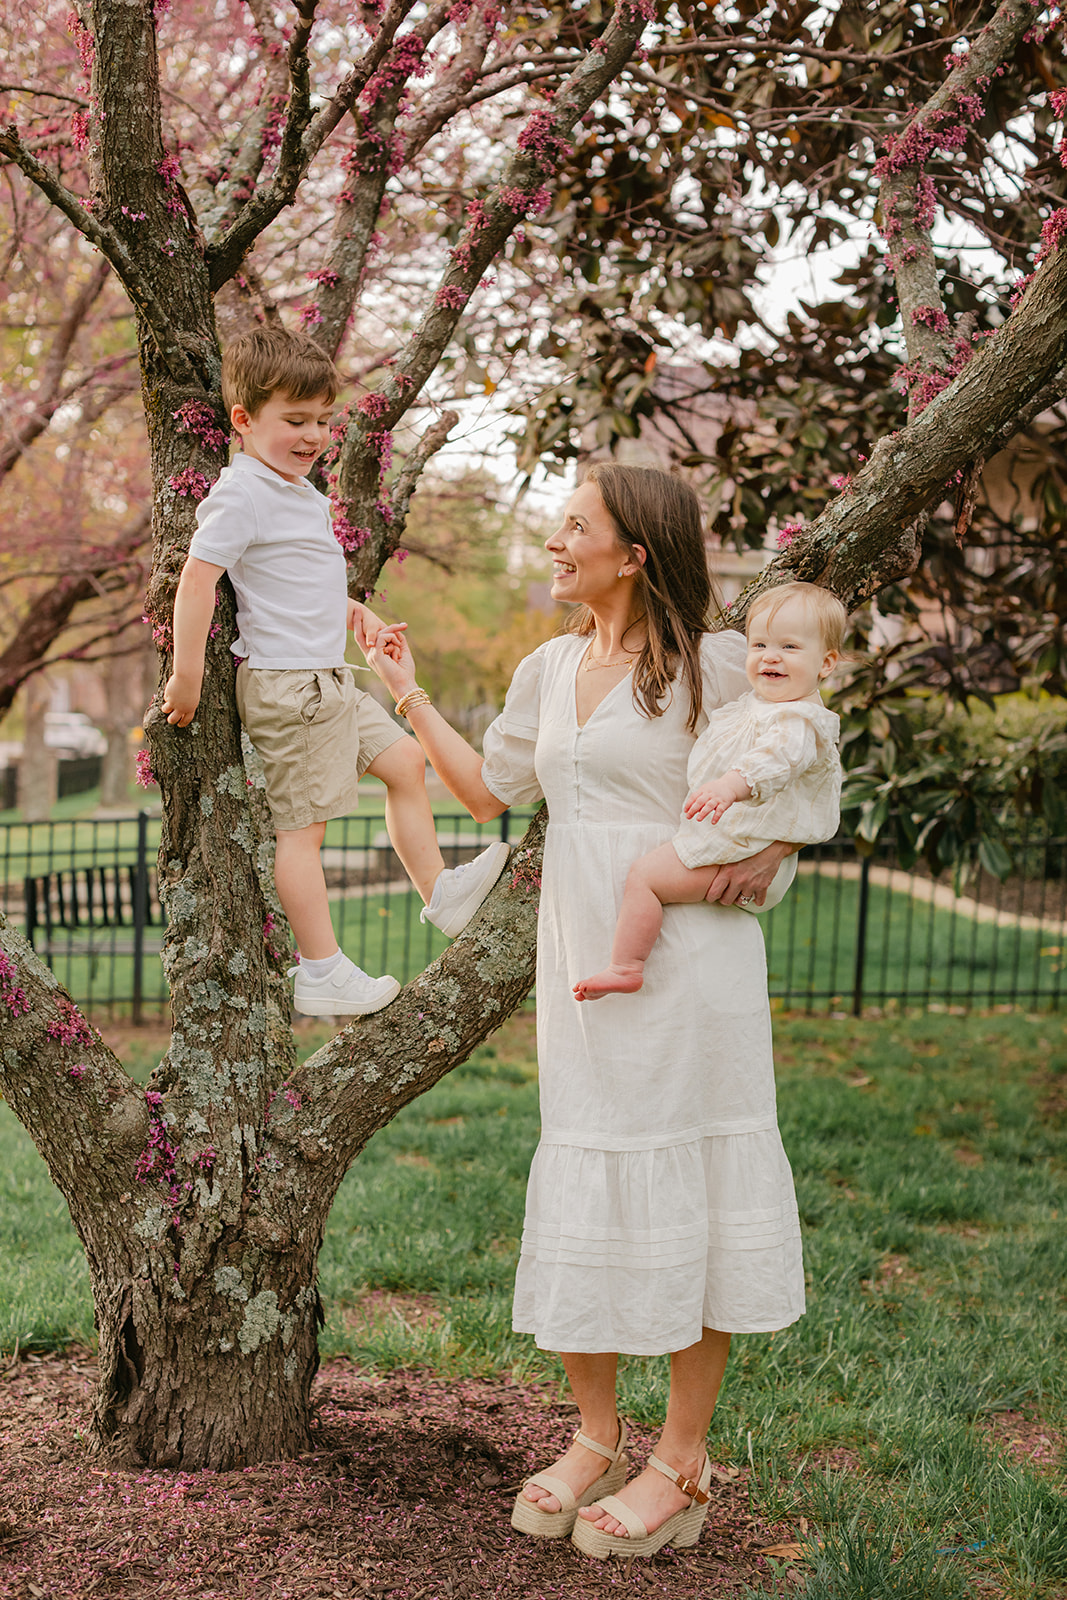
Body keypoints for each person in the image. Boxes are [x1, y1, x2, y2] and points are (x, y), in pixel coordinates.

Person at [358, 463, 811, 1562]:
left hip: (691, 959)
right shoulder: (549, 666)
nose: (555, 543)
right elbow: (492, 792)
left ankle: (682, 1460)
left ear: (634, 553)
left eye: (575, 526)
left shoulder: (716, 665)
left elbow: (798, 760)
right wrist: (403, 690)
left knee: (696, 1184)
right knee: (588, 1170)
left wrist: (777, 845)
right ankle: (597, 1436)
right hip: (584, 963)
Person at [160, 327, 508, 1016]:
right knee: (302, 832)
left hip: (328, 678)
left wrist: (355, 612)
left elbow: (293, 581)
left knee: (406, 763)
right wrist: (186, 675)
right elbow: (198, 579)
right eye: (295, 420)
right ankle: (321, 970)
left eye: (322, 420)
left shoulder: (297, 491)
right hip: (290, 687)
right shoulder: (243, 493)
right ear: (243, 419)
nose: (314, 435)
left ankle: (440, 893)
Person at [573, 581, 844, 1001]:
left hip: (741, 848)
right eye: (759, 645)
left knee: (645, 878)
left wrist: (730, 786)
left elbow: (777, 759)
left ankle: (626, 966)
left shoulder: (799, 721)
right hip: (739, 840)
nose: (770, 656)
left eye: (789, 647)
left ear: (826, 663)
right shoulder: (759, 706)